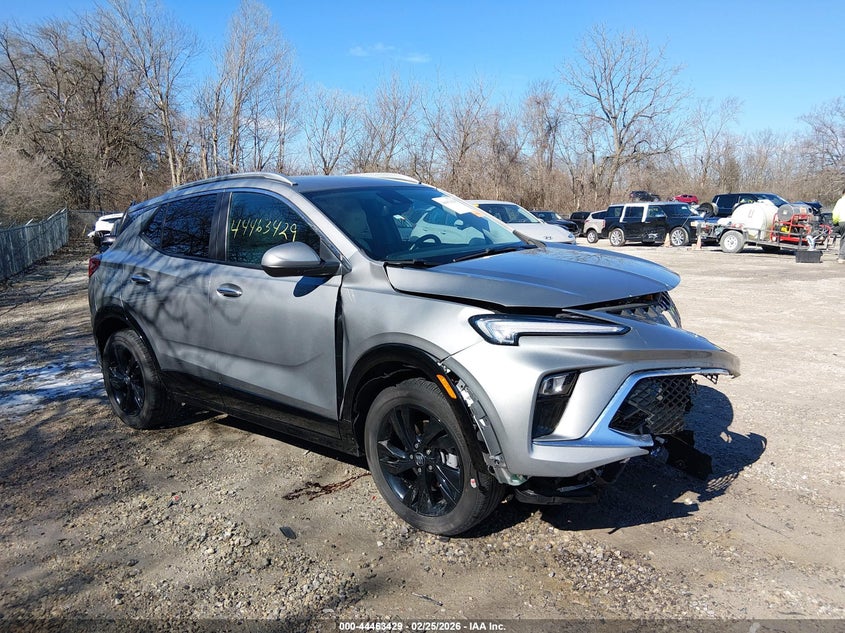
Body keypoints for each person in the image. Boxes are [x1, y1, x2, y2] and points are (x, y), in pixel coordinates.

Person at [833, 188, 845, 263]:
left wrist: (835, 222)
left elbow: (835, 213)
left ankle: (841, 256)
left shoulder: (840, 201)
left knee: (843, 238)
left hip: (841, 222)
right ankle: (842, 256)